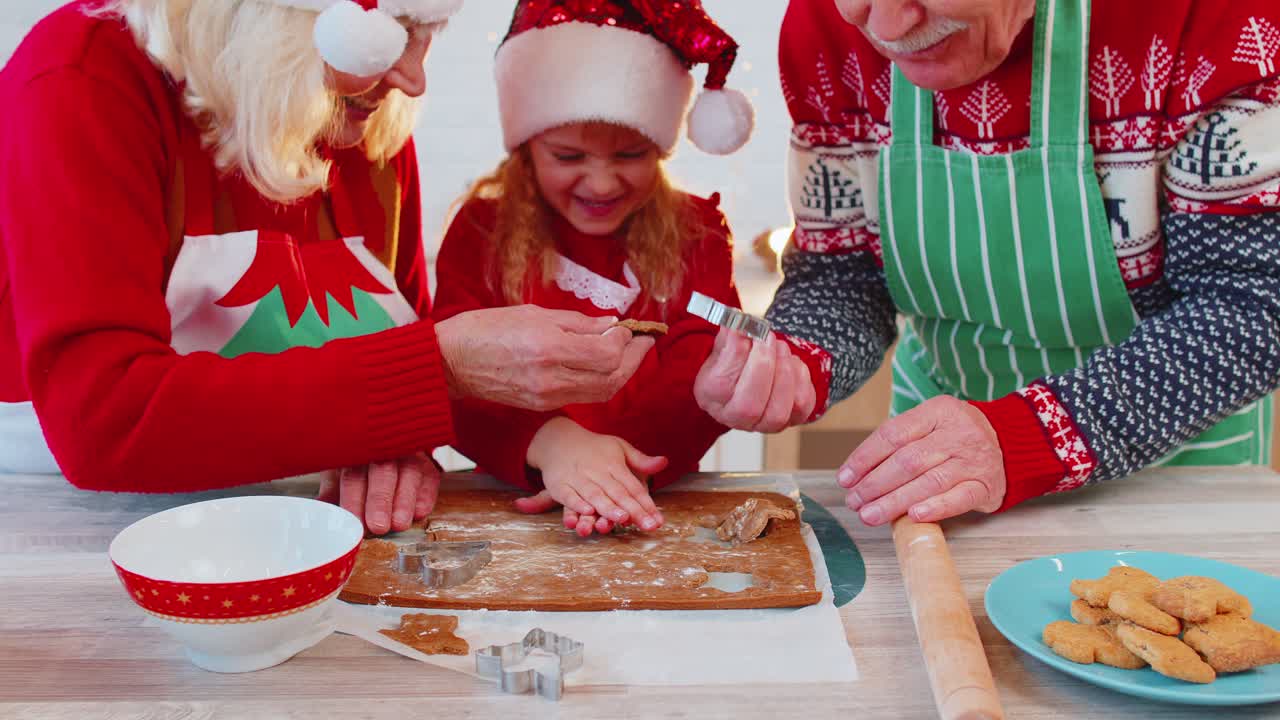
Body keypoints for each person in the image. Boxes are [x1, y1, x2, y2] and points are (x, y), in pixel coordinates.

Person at [0, 0, 655, 535]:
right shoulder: (83, 77)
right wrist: (437, 370)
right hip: (73, 526)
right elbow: (105, 423)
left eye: (426, 37)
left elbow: (390, 355)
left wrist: (404, 444)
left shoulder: (360, 119)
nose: (413, 79)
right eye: (390, 39)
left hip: (312, 523)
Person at [695, 0, 1280, 525]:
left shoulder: (1216, 19)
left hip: (1177, 470)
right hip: (943, 466)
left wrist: (1024, 438)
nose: (888, 26)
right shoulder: (826, 28)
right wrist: (802, 356)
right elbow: (844, 272)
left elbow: (1254, 305)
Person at [432, 0, 761, 537]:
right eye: (568, 157)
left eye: (630, 154)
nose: (602, 183)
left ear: (661, 147)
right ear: (526, 150)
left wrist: (615, 473)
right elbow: (447, 373)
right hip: (509, 510)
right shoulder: (481, 231)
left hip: (661, 507)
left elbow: (705, 368)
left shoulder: (697, 232)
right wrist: (552, 444)